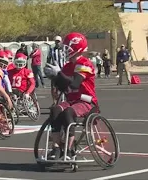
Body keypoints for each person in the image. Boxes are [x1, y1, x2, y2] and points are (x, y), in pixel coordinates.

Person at [44, 32, 99, 160]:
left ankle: (69, 149)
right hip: (72, 100)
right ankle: (56, 147)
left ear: (76, 48)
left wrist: (59, 74)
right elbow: (63, 87)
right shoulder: (68, 66)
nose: (65, 50)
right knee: (55, 109)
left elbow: (74, 84)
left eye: (67, 48)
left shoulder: (85, 63)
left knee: (69, 112)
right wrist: (54, 77)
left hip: (86, 101)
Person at [47, 35, 65, 106]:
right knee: (53, 88)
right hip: (54, 71)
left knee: (63, 87)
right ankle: (55, 101)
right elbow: (48, 59)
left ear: (61, 42)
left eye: (58, 41)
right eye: (56, 41)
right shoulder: (52, 50)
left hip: (63, 70)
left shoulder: (64, 50)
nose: (57, 43)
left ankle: (63, 101)